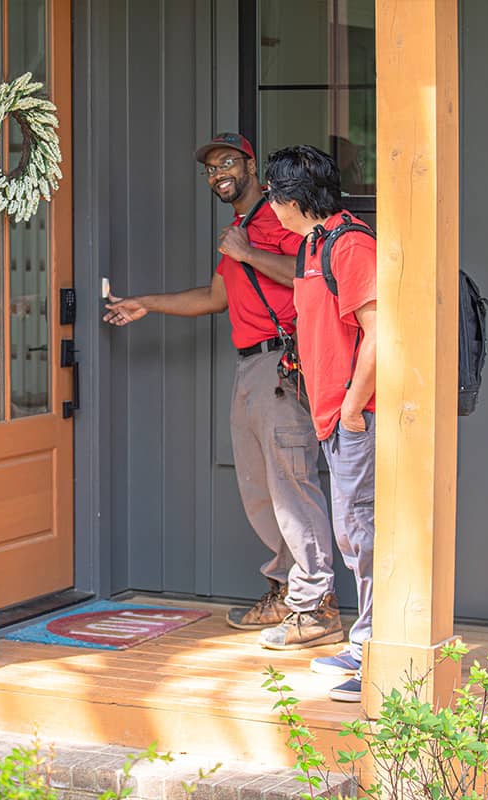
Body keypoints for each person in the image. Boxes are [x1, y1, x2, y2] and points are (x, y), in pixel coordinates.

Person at [102, 133, 341, 650]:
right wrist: (146, 303)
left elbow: (309, 274)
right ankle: (285, 591)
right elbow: (216, 296)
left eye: (227, 162)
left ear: (250, 166)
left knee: (292, 483)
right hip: (250, 366)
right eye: (210, 168)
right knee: (261, 489)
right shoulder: (241, 228)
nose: (217, 173)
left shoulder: (277, 218)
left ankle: (317, 604)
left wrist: (249, 253)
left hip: (284, 361)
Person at [264, 144, 377, 702]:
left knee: (364, 533)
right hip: (331, 414)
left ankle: (378, 656)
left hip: (356, 417)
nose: (271, 206)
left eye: (273, 195)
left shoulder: (349, 245)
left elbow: (377, 333)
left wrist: (353, 408)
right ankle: (364, 643)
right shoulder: (313, 245)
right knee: (352, 531)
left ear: (292, 198)